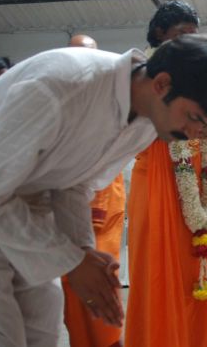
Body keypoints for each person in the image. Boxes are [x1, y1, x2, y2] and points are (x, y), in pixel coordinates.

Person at [0, 34, 207, 346]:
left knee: (42, 329)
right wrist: (73, 260)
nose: (193, 132)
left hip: (23, 211)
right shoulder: (63, 85)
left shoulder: (148, 122)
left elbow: (74, 183)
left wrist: (84, 253)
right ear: (162, 84)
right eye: (193, 118)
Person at [125, 1, 207, 347]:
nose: (189, 41)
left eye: (194, 35)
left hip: (199, 182)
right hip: (157, 180)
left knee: (199, 266)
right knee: (160, 269)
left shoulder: (200, 75)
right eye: (182, 34)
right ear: (160, 33)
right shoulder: (143, 74)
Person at [61, 34, 127, 347]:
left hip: (103, 210)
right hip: (65, 211)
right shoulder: (60, 99)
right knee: (72, 296)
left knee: (101, 286)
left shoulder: (111, 99)